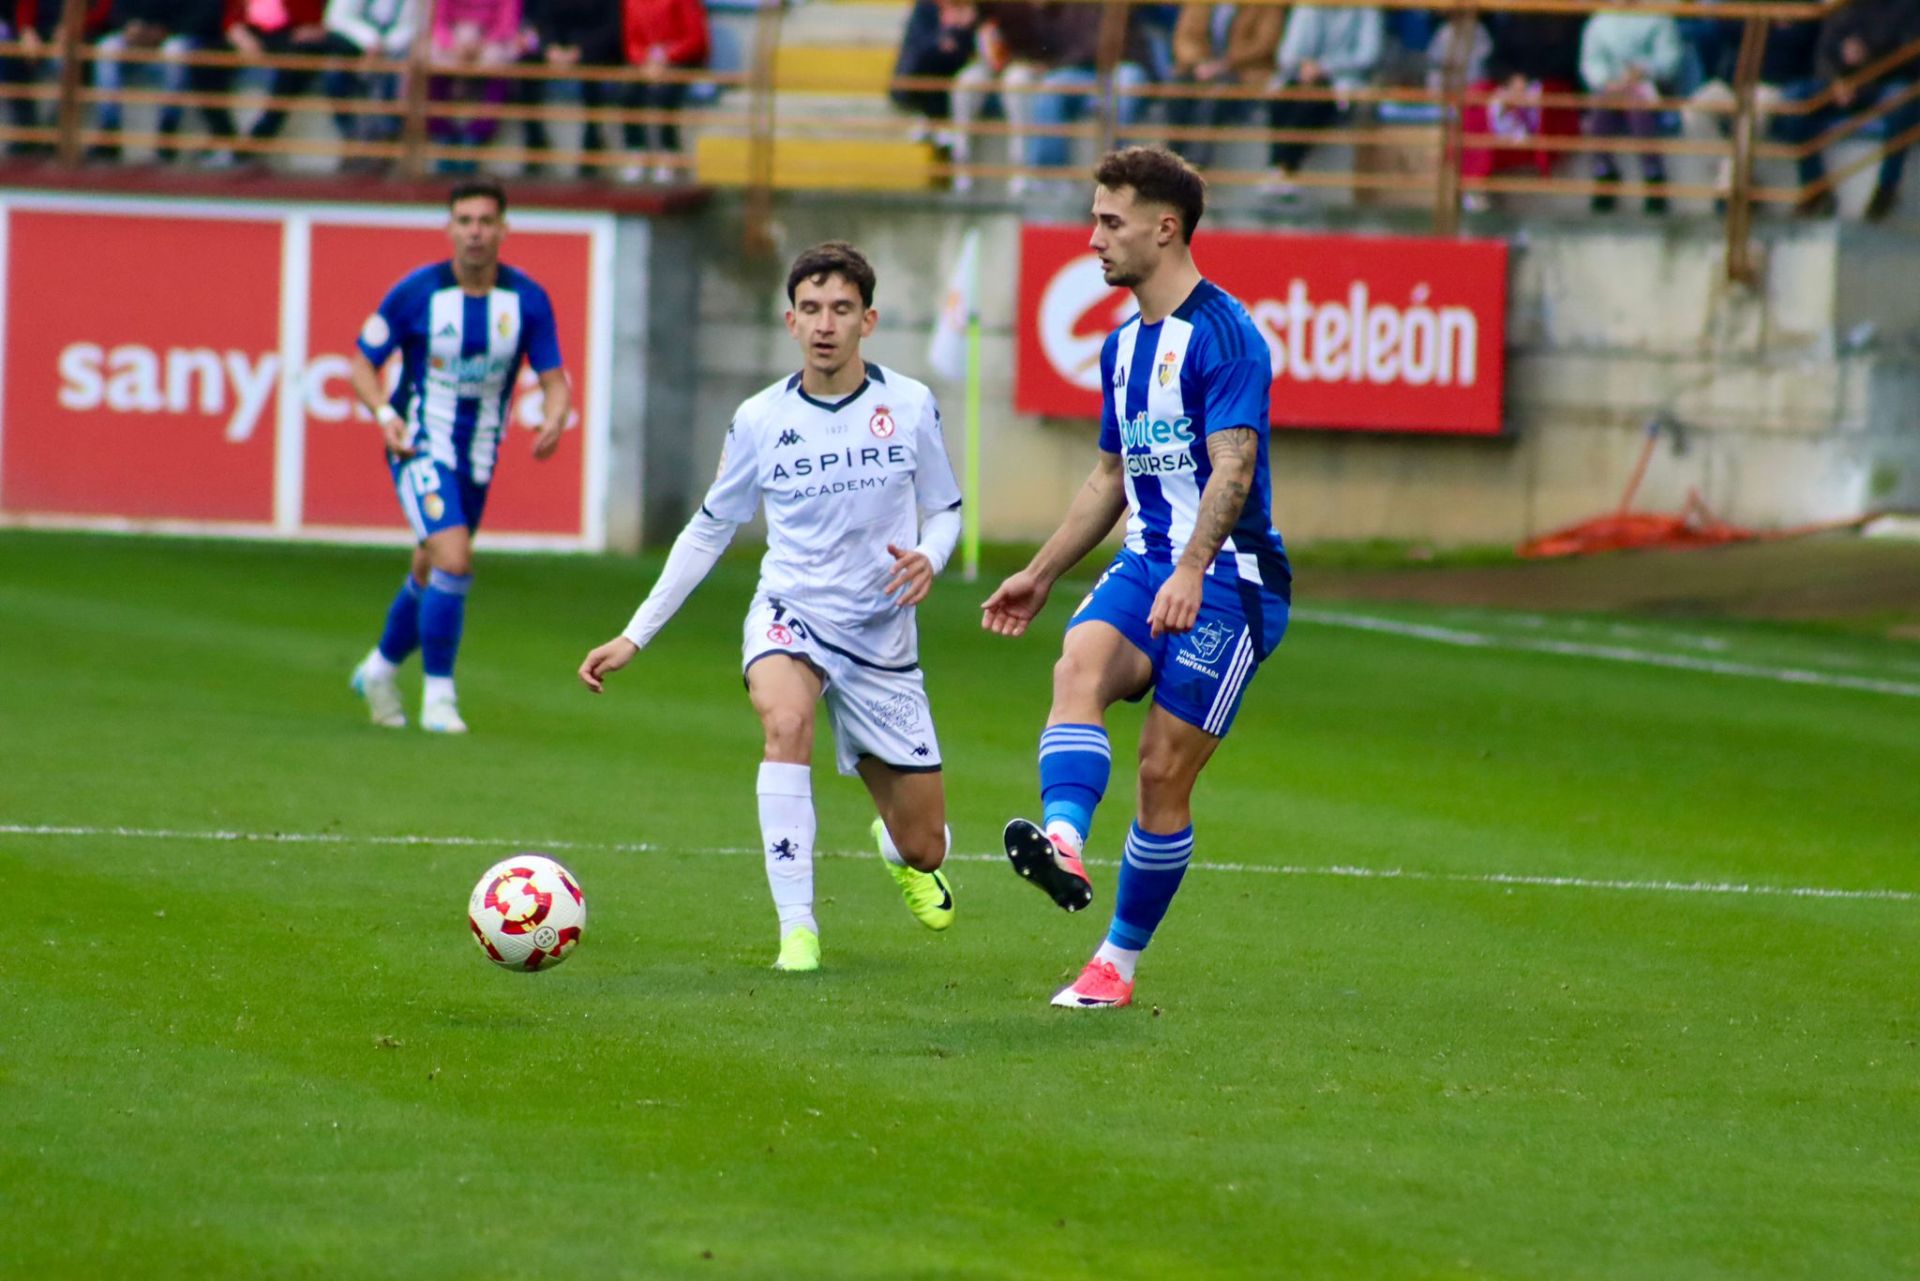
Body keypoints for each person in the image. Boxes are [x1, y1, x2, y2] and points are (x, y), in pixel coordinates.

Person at [577, 241, 964, 974]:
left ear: (868, 320)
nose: (825, 324)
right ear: (790, 321)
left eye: (841, 309)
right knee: (785, 723)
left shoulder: (908, 405)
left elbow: (944, 509)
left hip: (883, 636)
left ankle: (899, 848)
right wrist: (635, 635)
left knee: (926, 843)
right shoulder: (759, 419)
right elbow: (708, 529)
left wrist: (931, 557)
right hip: (792, 612)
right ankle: (798, 930)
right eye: (811, 309)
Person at [981, 145, 1290, 1010]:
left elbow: (1234, 465)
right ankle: (1065, 844)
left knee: (1161, 771)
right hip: (1147, 556)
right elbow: (1112, 476)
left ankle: (1115, 961)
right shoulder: (1121, 346)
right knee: (1076, 661)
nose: (1092, 240)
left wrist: (1192, 567)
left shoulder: (1226, 336)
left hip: (1230, 577)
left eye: (1109, 222)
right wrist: (1040, 573)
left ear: (1166, 227)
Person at [347, 179, 571, 735]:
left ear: (503, 230)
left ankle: (378, 670)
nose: (475, 231)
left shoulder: (526, 300)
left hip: (477, 457)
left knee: (429, 568)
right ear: (450, 228)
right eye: (465, 220)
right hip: (418, 445)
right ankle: (439, 696)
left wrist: (553, 415)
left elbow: (554, 378)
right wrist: (383, 413)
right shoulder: (416, 293)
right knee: (454, 559)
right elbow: (360, 364)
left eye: (486, 221)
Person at [1777, 0, 1920, 221]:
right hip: (1842, 84)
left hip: (1883, 81)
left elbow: (1909, 56)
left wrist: (1867, 59)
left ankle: (1886, 189)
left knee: (1901, 98)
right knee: (1796, 98)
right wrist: (1835, 81)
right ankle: (1815, 188)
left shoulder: (1908, 6)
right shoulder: (1844, 6)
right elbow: (1824, 51)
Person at [90, 0, 238, 163]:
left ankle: (167, 131)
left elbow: (207, 15)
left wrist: (164, 30)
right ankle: (110, 131)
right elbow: (118, 9)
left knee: (174, 50)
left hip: (179, 36)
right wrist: (128, 25)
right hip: (136, 38)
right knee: (108, 48)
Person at [1264, 3, 1383, 198]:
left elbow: (1368, 55)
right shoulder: (1307, 7)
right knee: (1282, 98)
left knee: (1312, 101)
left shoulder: (1366, 8)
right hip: (1302, 76)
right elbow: (1287, 54)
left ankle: (1282, 168)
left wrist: (1325, 67)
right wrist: (1305, 65)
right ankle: (1281, 169)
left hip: (1342, 79)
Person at [1579, 3, 1683, 214]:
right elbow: (1591, 61)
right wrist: (1607, 80)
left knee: (1637, 104)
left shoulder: (1657, 16)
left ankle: (1653, 174)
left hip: (1649, 84)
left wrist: (1644, 70)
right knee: (1601, 106)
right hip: (1612, 85)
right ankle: (1604, 172)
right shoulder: (1600, 20)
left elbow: (1670, 57)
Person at [1166, 1, 1287, 170]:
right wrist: (1200, 62)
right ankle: (1170, 157)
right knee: (1177, 88)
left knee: (1219, 92)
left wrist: (1224, 64)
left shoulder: (1267, 4)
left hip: (1243, 71)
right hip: (1202, 68)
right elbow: (1185, 38)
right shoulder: (1198, 4)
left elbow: (1264, 44)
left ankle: (1195, 162)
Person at [618, 0, 709, 182]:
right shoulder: (631, 3)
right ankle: (636, 151)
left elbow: (696, 39)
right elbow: (631, 41)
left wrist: (666, 57)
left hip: (683, 60)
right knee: (627, 94)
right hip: (646, 63)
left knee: (664, 95)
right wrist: (645, 60)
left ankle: (669, 155)